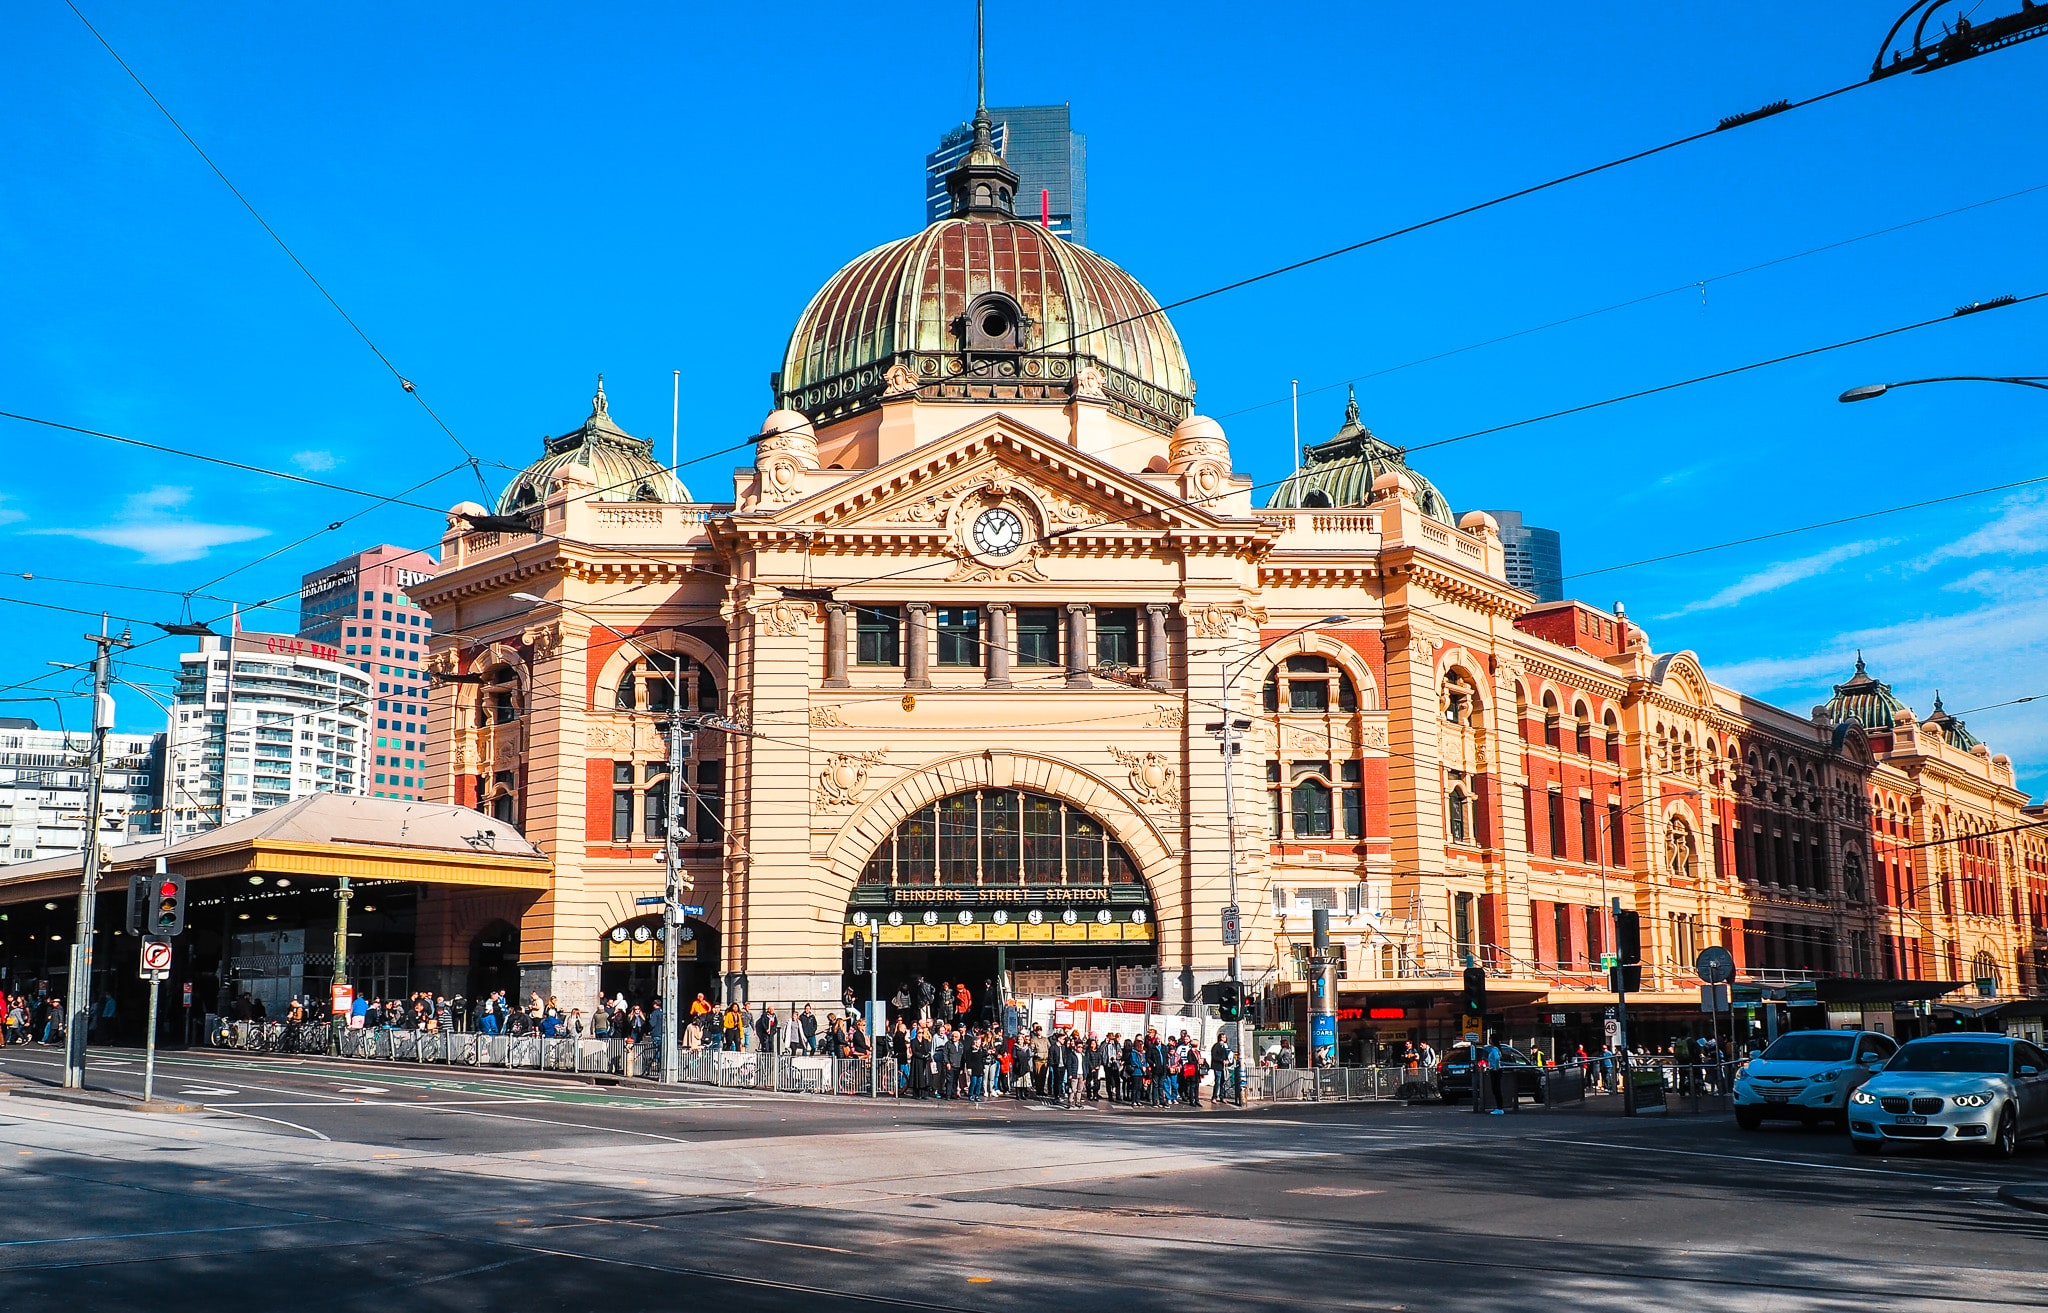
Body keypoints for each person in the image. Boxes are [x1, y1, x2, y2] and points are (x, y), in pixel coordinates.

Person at [1211, 1034, 1232, 1103]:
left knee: (1223, 1082)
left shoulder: (1225, 1046)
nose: (1224, 1038)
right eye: (1222, 1037)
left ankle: (1222, 1096)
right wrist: (1221, 1060)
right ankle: (1214, 1097)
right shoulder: (1216, 1046)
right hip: (1217, 1066)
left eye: (1225, 1037)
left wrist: (1227, 1060)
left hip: (1223, 1067)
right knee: (1217, 1081)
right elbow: (1214, 1056)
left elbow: (1226, 1055)